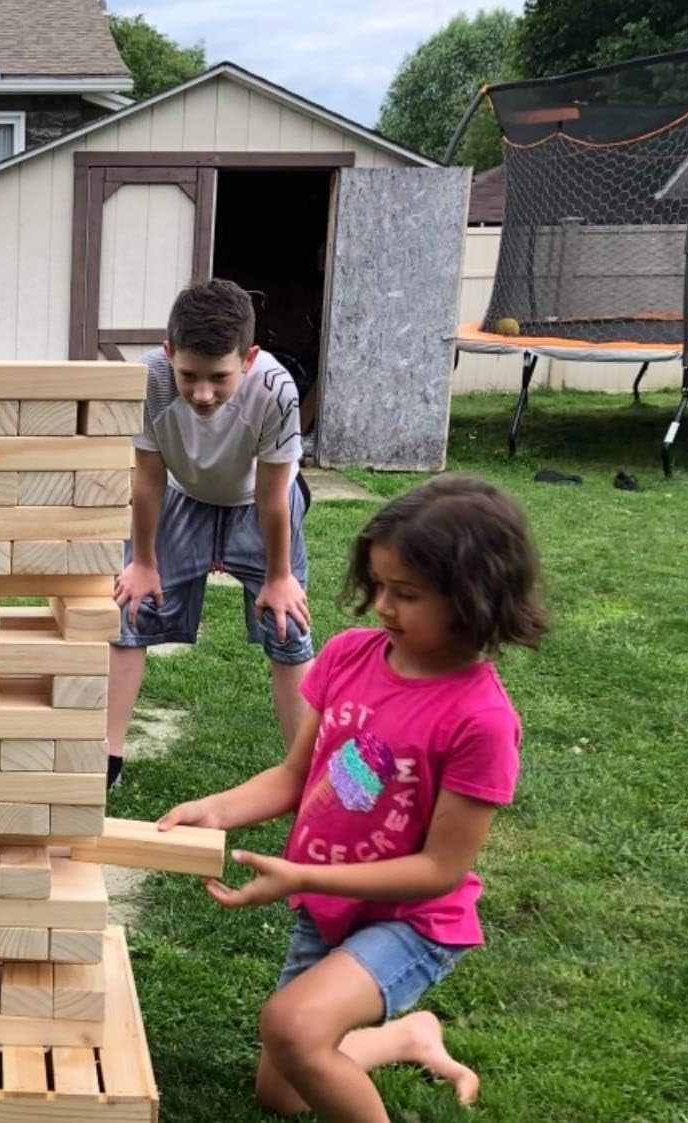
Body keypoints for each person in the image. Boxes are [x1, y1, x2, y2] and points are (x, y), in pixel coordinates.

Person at [158, 476, 548, 1122]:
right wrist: (216, 809)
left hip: (412, 918)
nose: (383, 607)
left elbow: (438, 870)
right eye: (379, 586)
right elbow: (293, 774)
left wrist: (301, 875)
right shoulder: (347, 655)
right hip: (329, 906)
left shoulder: (479, 719)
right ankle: (403, 1035)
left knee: (289, 1023)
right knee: (280, 1088)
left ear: (473, 596)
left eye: (406, 594)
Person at [108, 278, 314, 788]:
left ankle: (308, 773)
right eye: (189, 375)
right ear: (168, 352)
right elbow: (148, 478)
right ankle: (105, 757)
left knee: (288, 626)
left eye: (219, 377)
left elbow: (272, 495)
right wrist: (144, 562)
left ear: (248, 359)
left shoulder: (275, 388)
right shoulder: (149, 379)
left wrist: (279, 575)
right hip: (182, 493)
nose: (203, 393)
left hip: (257, 502)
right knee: (127, 611)